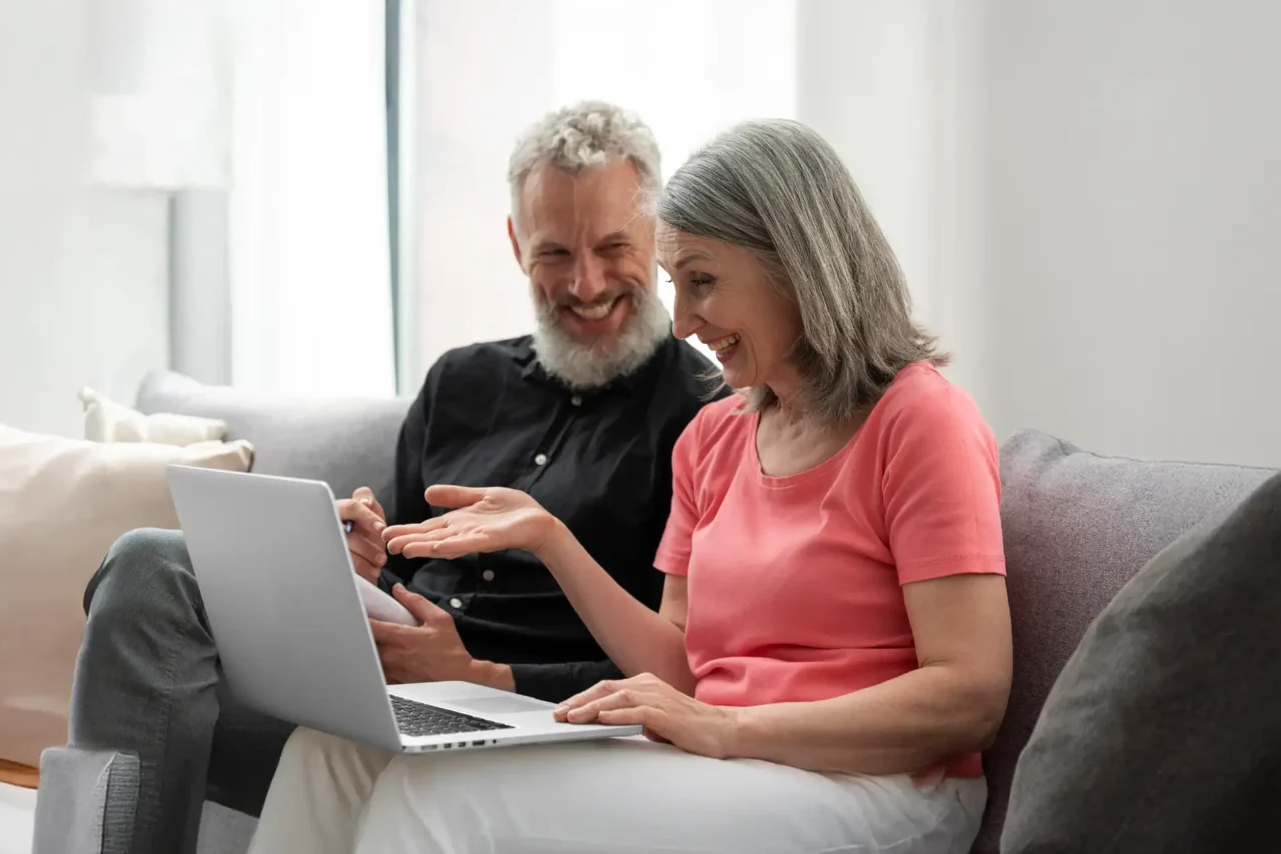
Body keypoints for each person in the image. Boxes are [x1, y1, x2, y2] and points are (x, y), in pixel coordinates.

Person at [248, 118, 1014, 854]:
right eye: (675, 284)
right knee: (332, 754)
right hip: (724, 756)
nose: (681, 322)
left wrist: (728, 728)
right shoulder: (713, 437)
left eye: (703, 282)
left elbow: (969, 698)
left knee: (438, 797)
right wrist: (548, 536)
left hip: (875, 785)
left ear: (795, 264)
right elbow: (683, 663)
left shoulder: (919, 421)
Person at [60, 101, 725, 854]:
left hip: (531, 725)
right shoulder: (461, 382)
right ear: (514, 244)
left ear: (659, 236)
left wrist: (480, 672)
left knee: (154, 562)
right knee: (149, 586)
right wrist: (358, 552)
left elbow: (690, 665)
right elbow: (402, 561)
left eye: (613, 247)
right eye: (553, 254)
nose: (585, 282)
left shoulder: (706, 421)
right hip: (369, 700)